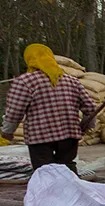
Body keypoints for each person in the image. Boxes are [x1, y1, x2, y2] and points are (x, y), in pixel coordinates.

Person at [1, 44, 96, 174]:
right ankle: (71, 191)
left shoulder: (24, 81)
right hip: (69, 135)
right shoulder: (71, 80)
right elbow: (90, 107)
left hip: (40, 136)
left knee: (44, 172)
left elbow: (15, 111)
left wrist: (7, 131)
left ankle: (48, 193)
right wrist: (87, 125)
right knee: (67, 168)